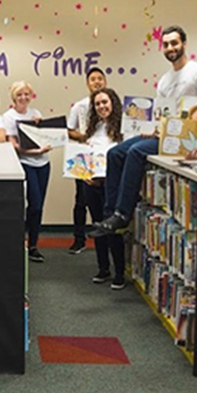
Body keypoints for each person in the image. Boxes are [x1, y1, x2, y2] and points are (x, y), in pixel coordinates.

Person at [89, 25, 197, 237]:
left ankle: (122, 214)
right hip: (165, 132)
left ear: (184, 43)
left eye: (174, 43)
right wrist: (152, 128)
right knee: (115, 153)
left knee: (136, 152)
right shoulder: (165, 80)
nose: (170, 47)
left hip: (185, 137)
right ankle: (110, 214)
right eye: (165, 44)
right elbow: (161, 113)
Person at [81, 88, 126, 289]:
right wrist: (86, 174)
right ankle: (102, 268)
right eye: (97, 104)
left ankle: (119, 272)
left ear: (113, 102)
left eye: (104, 102)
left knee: (112, 227)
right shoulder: (93, 128)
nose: (101, 106)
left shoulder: (124, 128)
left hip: (112, 184)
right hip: (92, 183)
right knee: (98, 225)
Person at [3, 81, 51, 262]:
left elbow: (42, 136)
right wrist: (35, 151)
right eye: (19, 95)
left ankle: (33, 245)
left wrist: (44, 133)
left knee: (38, 208)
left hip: (44, 164)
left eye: (26, 94)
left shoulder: (36, 113)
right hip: (25, 163)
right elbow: (14, 145)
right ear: (14, 97)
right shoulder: (8, 117)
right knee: (33, 204)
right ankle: (20, 241)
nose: (23, 97)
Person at [66, 67, 108, 254]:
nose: (97, 82)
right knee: (81, 200)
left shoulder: (110, 104)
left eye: (100, 78)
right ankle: (79, 239)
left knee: (105, 202)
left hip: (105, 160)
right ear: (87, 83)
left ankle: (104, 239)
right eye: (93, 79)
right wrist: (83, 137)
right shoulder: (80, 106)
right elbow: (69, 130)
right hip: (84, 157)